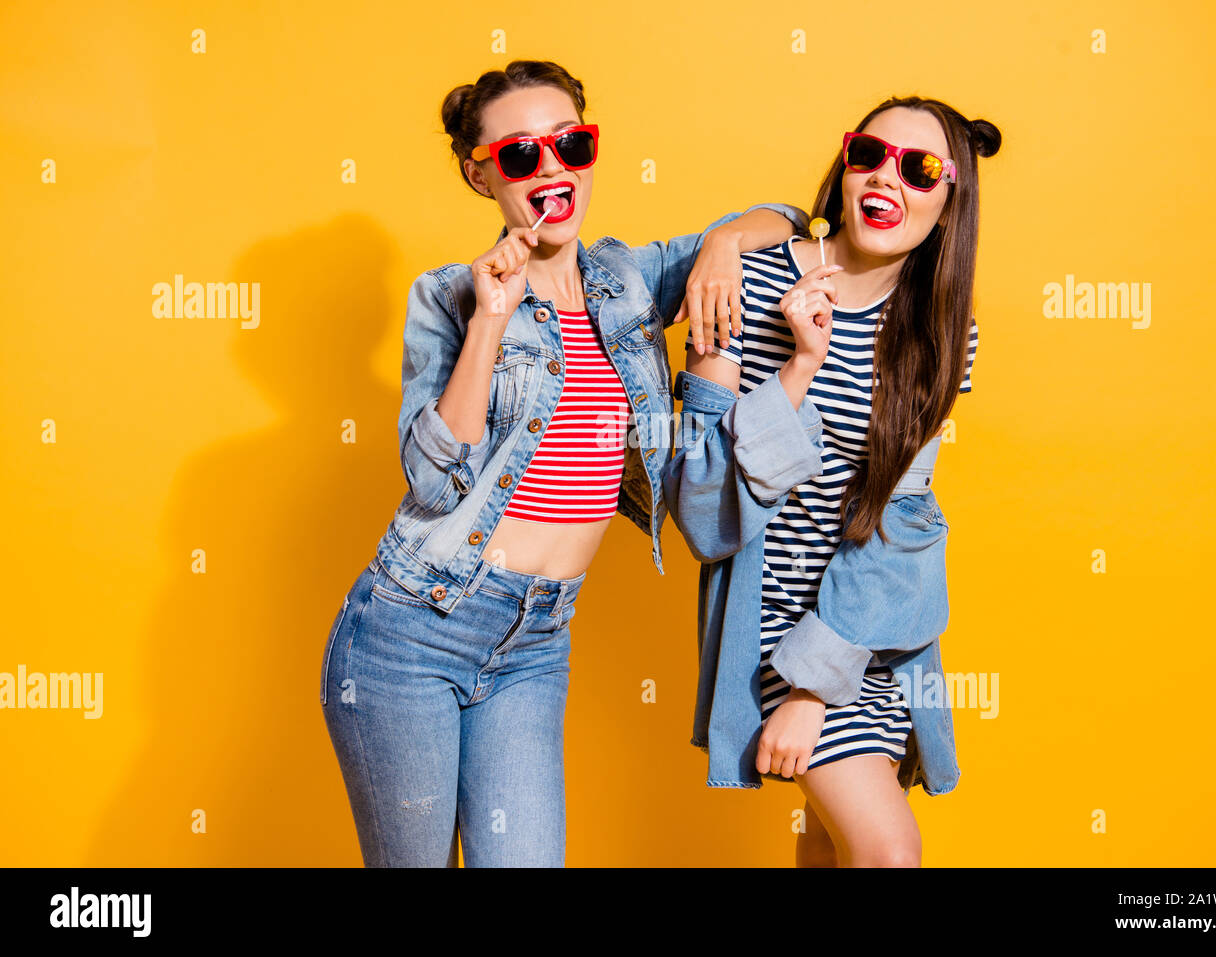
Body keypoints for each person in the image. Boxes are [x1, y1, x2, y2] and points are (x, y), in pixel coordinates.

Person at [319, 58, 808, 867]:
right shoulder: (448, 296)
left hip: (538, 639)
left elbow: (793, 219)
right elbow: (434, 479)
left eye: (570, 144)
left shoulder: (630, 280)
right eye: (520, 155)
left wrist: (722, 240)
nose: (551, 169)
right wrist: (490, 321)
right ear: (482, 176)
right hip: (413, 629)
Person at [664, 95, 1000, 866]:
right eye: (869, 154)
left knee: (832, 848)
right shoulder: (741, 286)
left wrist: (822, 685)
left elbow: (902, 521)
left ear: (949, 204)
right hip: (771, 627)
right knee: (888, 852)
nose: (888, 178)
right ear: (844, 166)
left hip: (871, 631)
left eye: (920, 169)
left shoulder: (944, 336)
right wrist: (797, 369)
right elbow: (701, 507)